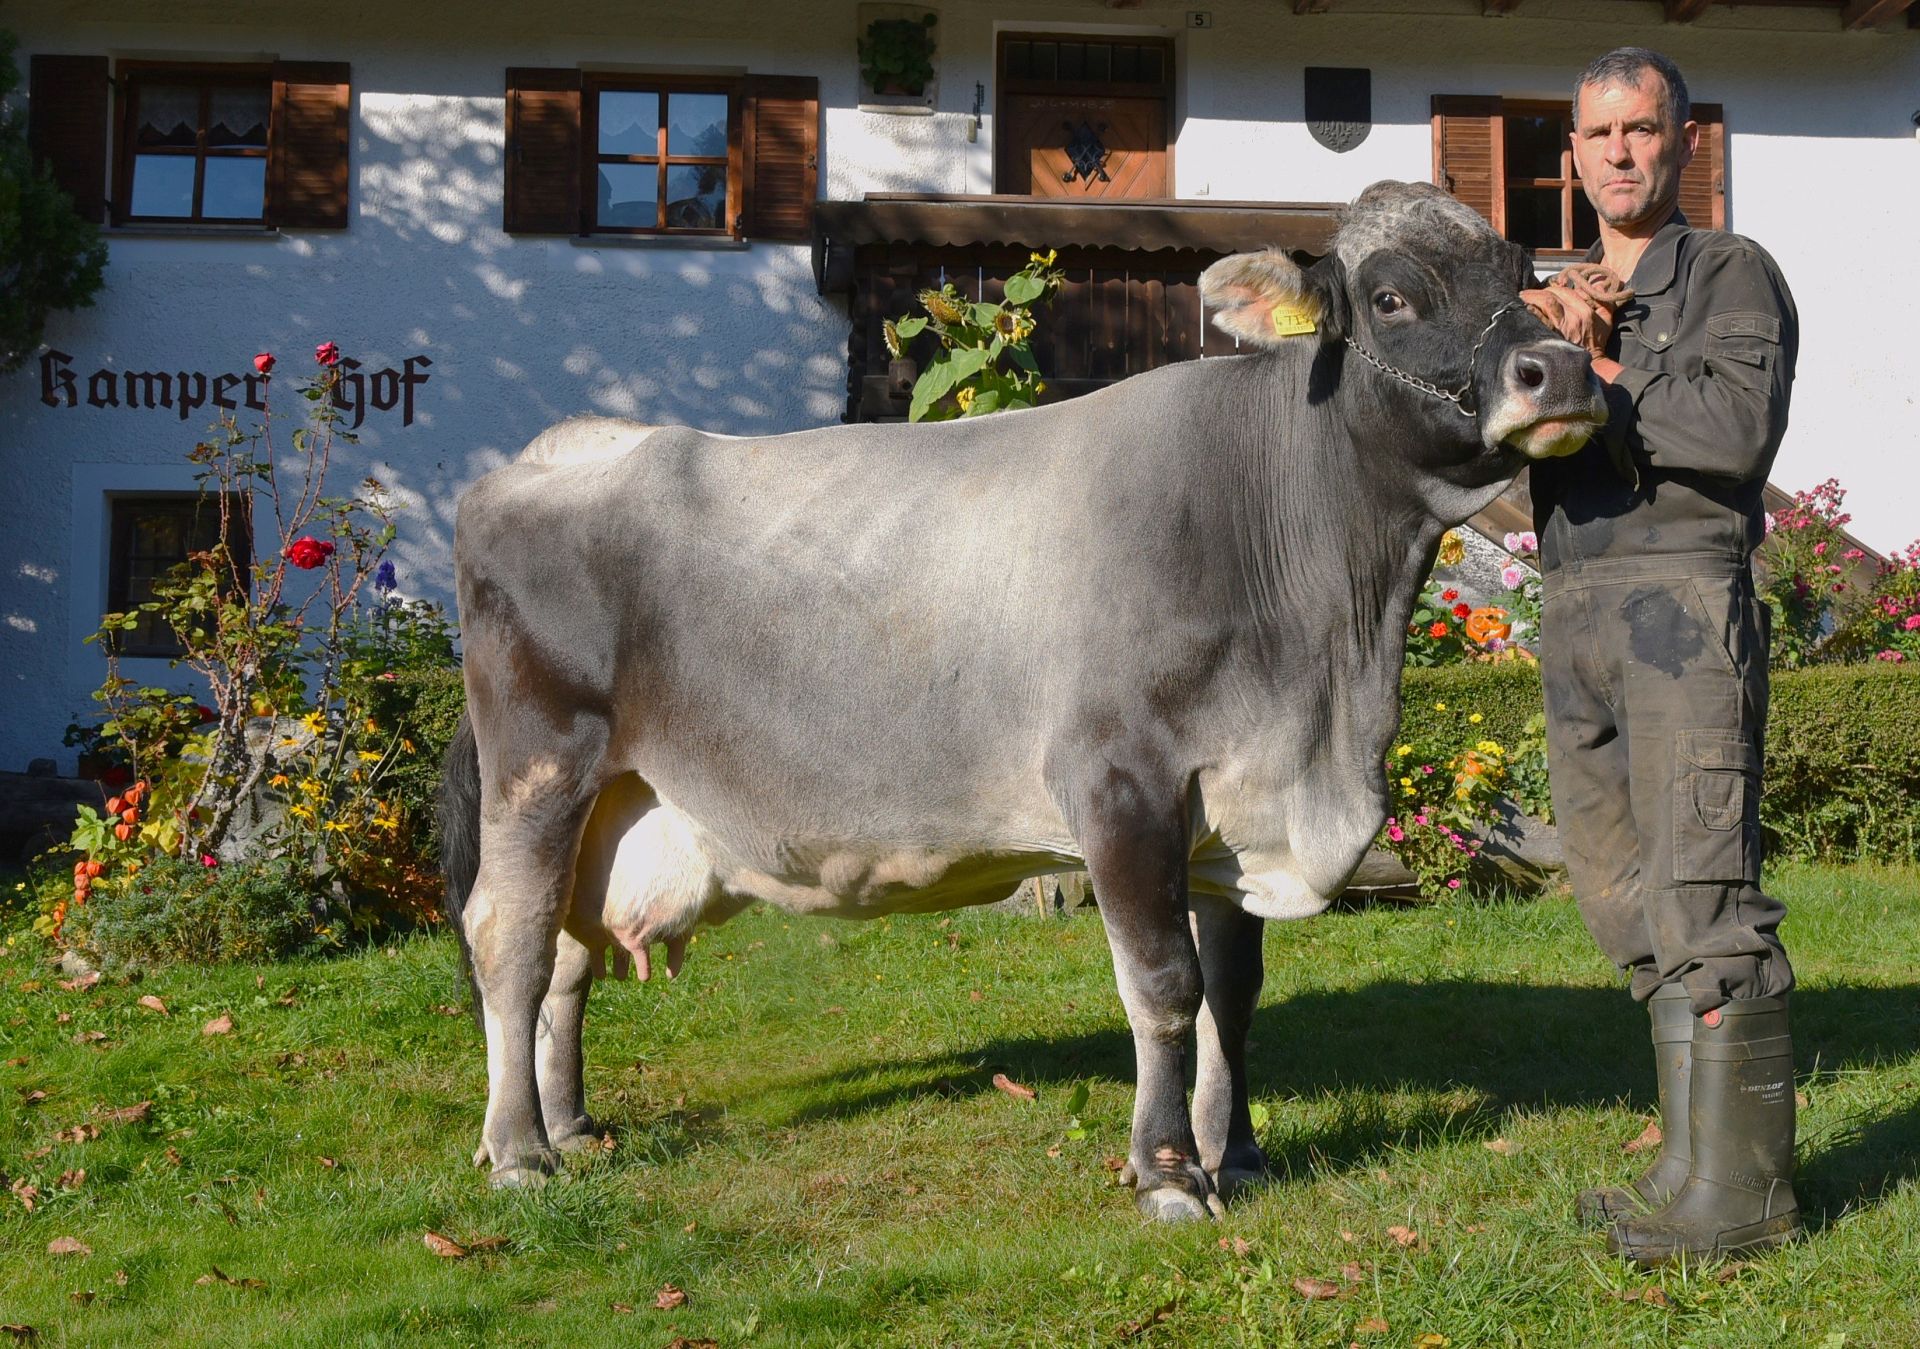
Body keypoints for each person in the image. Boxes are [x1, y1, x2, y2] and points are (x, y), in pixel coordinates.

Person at [1518, 48, 1802, 1265]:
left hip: (1683, 604)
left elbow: (1732, 433)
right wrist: (1524, 357)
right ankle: (1690, 1164)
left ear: (1684, 143)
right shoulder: (1553, 292)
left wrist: (1598, 367)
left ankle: (1744, 1194)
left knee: (1704, 894)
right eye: (1599, 134)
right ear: (1572, 157)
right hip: (1576, 601)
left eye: (1641, 130)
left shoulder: (1731, 273)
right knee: (1619, 895)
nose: (1620, 151)